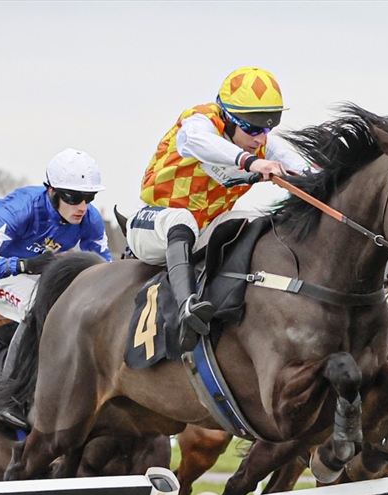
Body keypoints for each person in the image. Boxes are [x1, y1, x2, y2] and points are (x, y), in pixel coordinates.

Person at [126, 66, 308, 352]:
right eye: (252, 129)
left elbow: (304, 170)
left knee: (257, 221)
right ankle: (188, 308)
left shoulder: (260, 144)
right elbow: (200, 143)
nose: (260, 139)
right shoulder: (198, 123)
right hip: (152, 225)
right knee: (181, 218)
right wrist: (252, 163)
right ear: (228, 119)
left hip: (204, 231)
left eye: (267, 129)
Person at [0, 148, 113, 429]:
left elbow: (105, 269)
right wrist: (21, 265)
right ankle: (8, 401)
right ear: (51, 190)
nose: (82, 206)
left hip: (38, 275)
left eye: (89, 198)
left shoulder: (89, 219)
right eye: (73, 197)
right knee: (40, 307)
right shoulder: (19, 208)